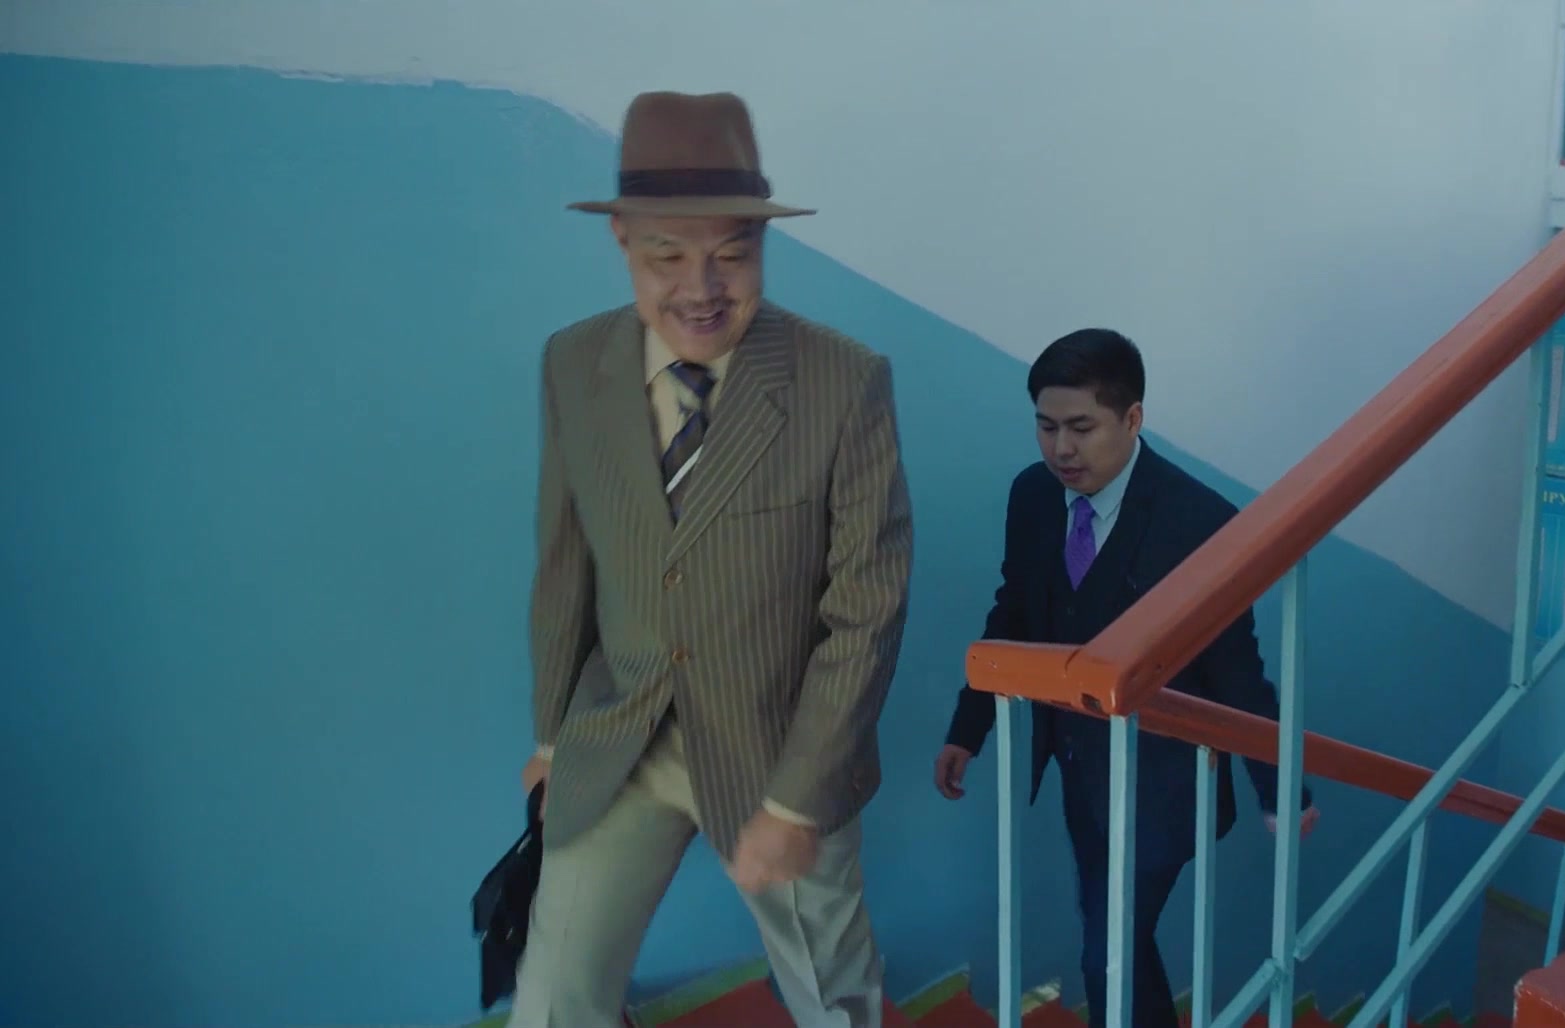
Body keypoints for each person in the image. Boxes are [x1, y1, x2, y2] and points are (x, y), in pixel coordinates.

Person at [508, 91, 913, 1028]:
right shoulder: (572, 365)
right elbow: (564, 567)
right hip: (620, 735)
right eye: (667, 256)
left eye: (733, 254)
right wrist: (552, 740)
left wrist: (798, 804)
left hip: (782, 752)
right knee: (554, 998)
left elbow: (867, 611)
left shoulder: (845, 381)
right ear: (620, 239)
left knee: (835, 999)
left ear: (763, 242)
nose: (702, 287)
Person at [933, 328, 1316, 1028]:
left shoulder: (1200, 522)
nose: (1061, 449)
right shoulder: (1033, 496)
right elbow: (1013, 612)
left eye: (1081, 428)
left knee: (1108, 950)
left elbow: (1236, 671)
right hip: (1080, 771)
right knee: (1116, 943)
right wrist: (968, 730)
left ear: (1132, 418)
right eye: (1046, 427)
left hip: (1168, 786)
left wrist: (1280, 787)